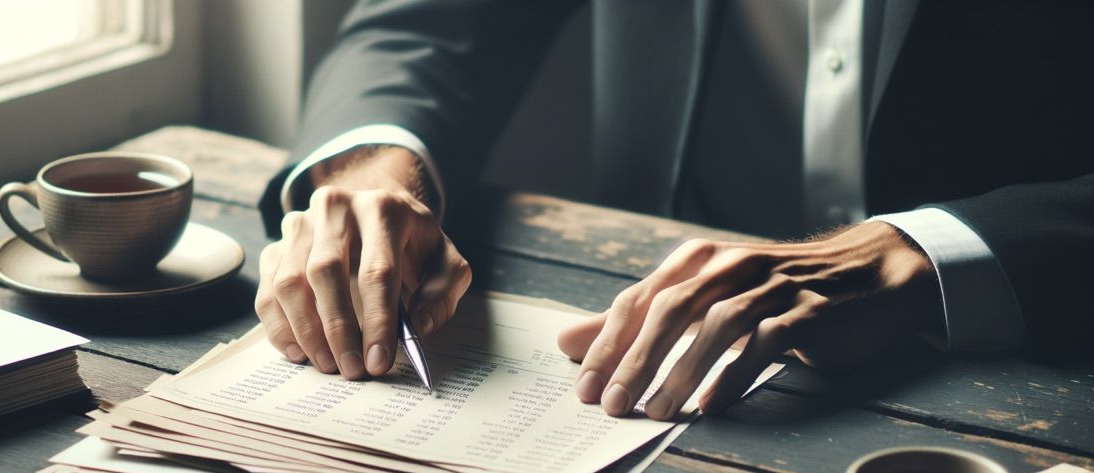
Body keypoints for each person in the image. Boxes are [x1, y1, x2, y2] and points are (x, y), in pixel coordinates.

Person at [255, 1, 1094, 420]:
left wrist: (924, 252)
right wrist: (373, 172)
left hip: (1041, 370)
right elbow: (425, 24)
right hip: (669, 363)